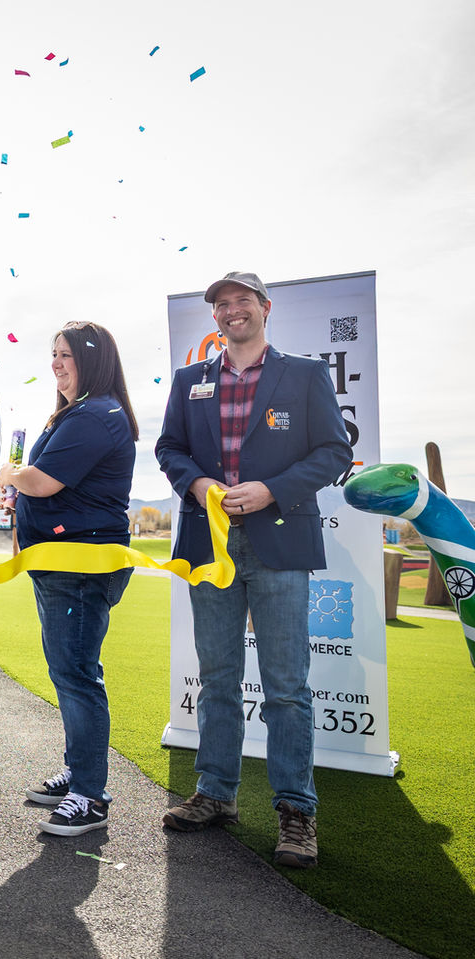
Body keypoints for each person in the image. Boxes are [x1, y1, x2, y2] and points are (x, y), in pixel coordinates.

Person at [155, 271, 352, 869]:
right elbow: (169, 450)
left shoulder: (306, 374)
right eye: (221, 304)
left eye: (242, 301)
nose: (231, 310)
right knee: (217, 678)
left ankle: (296, 811)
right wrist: (202, 484)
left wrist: (272, 490)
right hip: (210, 547)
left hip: (281, 542)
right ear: (213, 317)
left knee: (286, 687)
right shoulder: (191, 380)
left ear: (265, 308)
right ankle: (215, 793)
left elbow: (335, 452)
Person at [0, 321, 137, 836]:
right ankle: (81, 774)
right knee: (70, 673)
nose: (56, 363)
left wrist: (11, 476)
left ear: (93, 360)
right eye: (53, 354)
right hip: (61, 564)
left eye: (67, 355)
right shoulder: (79, 413)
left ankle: (91, 795)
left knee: (77, 675)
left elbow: (40, 480)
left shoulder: (96, 415)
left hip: (80, 567)